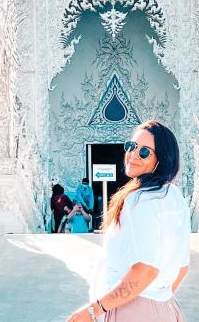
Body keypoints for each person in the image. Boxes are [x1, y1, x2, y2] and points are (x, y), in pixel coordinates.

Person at [66, 120, 190, 322]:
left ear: (162, 159)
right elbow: (182, 268)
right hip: (165, 308)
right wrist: (157, 298)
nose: (133, 154)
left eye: (144, 152)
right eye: (131, 146)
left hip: (131, 311)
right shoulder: (174, 196)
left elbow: (146, 269)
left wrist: (93, 311)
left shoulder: (139, 200)